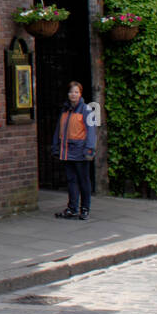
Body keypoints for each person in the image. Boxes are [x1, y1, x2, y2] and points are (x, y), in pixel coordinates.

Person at [53, 81, 97, 220]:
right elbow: (58, 130)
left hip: (80, 151)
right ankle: (72, 208)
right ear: (68, 94)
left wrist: (89, 149)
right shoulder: (65, 110)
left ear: (80, 94)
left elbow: (91, 131)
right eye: (72, 92)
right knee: (71, 181)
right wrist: (56, 146)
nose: (74, 94)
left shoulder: (86, 110)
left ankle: (85, 208)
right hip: (67, 151)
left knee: (83, 181)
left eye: (76, 92)